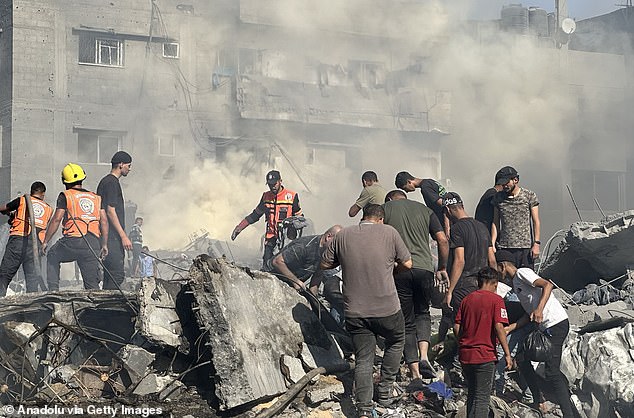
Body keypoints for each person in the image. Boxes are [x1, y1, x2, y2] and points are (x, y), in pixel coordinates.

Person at [320, 204, 411, 418]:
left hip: (355, 311)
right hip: (387, 308)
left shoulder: (343, 235)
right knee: (397, 340)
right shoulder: (389, 232)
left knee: (363, 359)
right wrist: (390, 268)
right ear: (381, 219)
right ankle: (385, 391)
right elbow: (407, 263)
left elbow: (325, 263)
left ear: (363, 217)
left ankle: (363, 410)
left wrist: (344, 261)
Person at [383, 189, 449, 380]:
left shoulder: (384, 209)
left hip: (399, 269)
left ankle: (414, 370)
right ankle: (424, 356)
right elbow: (442, 240)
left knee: (406, 318)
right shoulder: (425, 210)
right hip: (425, 269)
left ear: (390, 199)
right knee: (423, 313)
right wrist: (442, 267)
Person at [497, 259, 574, 417]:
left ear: (503, 266)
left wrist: (539, 310)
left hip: (556, 323)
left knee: (552, 372)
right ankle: (538, 400)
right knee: (522, 359)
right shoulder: (516, 286)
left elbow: (548, 285)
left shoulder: (522, 273)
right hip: (546, 328)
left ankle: (568, 414)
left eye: (497, 271)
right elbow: (528, 313)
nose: (498, 277)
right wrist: (511, 328)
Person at [454, 267, 512, 418]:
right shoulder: (496, 300)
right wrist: (507, 353)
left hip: (466, 356)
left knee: (472, 394)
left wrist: (463, 343)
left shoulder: (467, 300)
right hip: (484, 356)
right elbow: (499, 327)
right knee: (482, 399)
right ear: (495, 283)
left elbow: (456, 326)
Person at [43, 163, 108, 290]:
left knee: (52, 255)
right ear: (82, 178)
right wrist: (104, 245)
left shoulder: (66, 195)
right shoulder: (96, 198)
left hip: (73, 241)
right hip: (93, 243)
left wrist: (45, 241)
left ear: (64, 181)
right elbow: (104, 221)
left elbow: (56, 219)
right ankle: (96, 307)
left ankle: (53, 292)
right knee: (91, 285)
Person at [269, 225, 344, 319]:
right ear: (328, 237)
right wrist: (295, 281)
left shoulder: (326, 253)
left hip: (291, 285)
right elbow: (277, 261)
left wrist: (314, 301)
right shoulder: (304, 246)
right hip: (271, 279)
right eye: (337, 244)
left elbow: (317, 276)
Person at [231, 170, 302, 267]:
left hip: (287, 239)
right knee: (267, 264)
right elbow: (255, 215)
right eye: (269, 184)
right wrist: (240, 227)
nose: (272, 186)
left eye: (274, 184)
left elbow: (300, 217)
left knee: (286, 265)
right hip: (271, 237)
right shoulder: (266, 197)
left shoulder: (291, 196)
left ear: (280, 181)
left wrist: (296, 225)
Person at [444, 192, 497, 317]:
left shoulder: (456, 229)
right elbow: (492, 261)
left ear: (447, 210)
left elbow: (460, 260)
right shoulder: (482, 227)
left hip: (463, 286)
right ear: (462, 205)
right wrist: (494, 286)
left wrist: (450, 290)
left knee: (461, 326)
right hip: (483, 284)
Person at [0, 182, 53, 295]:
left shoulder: (22, 200)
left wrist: (9, 213)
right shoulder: (48, 209)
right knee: (32, 281)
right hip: (36, 246)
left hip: (19, 241)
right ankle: (32, 309)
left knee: (4, 275)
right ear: (43, 194)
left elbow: (4, 208)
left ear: (31, 191)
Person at [491, 166, 540, 269]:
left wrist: (536, 243)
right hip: (505, 247)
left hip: (525, 248)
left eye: (506, 182)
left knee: (526, 279)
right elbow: (495, 222)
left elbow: (536, 221)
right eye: (502, 183)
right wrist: (492, 243)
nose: (504, 186)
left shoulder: (529, 196)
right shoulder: (498, 198)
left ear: (515, 180)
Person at [97, 151, 133, 290]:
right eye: (128, 166)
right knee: (117, 275)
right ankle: (107, 308)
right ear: (121, 164)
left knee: (109, 276)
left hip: (108, 238)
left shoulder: (106, 181)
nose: (129, 169)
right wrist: (123, 236)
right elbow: (110, 211)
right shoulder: (112, 183)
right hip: (113, 238)